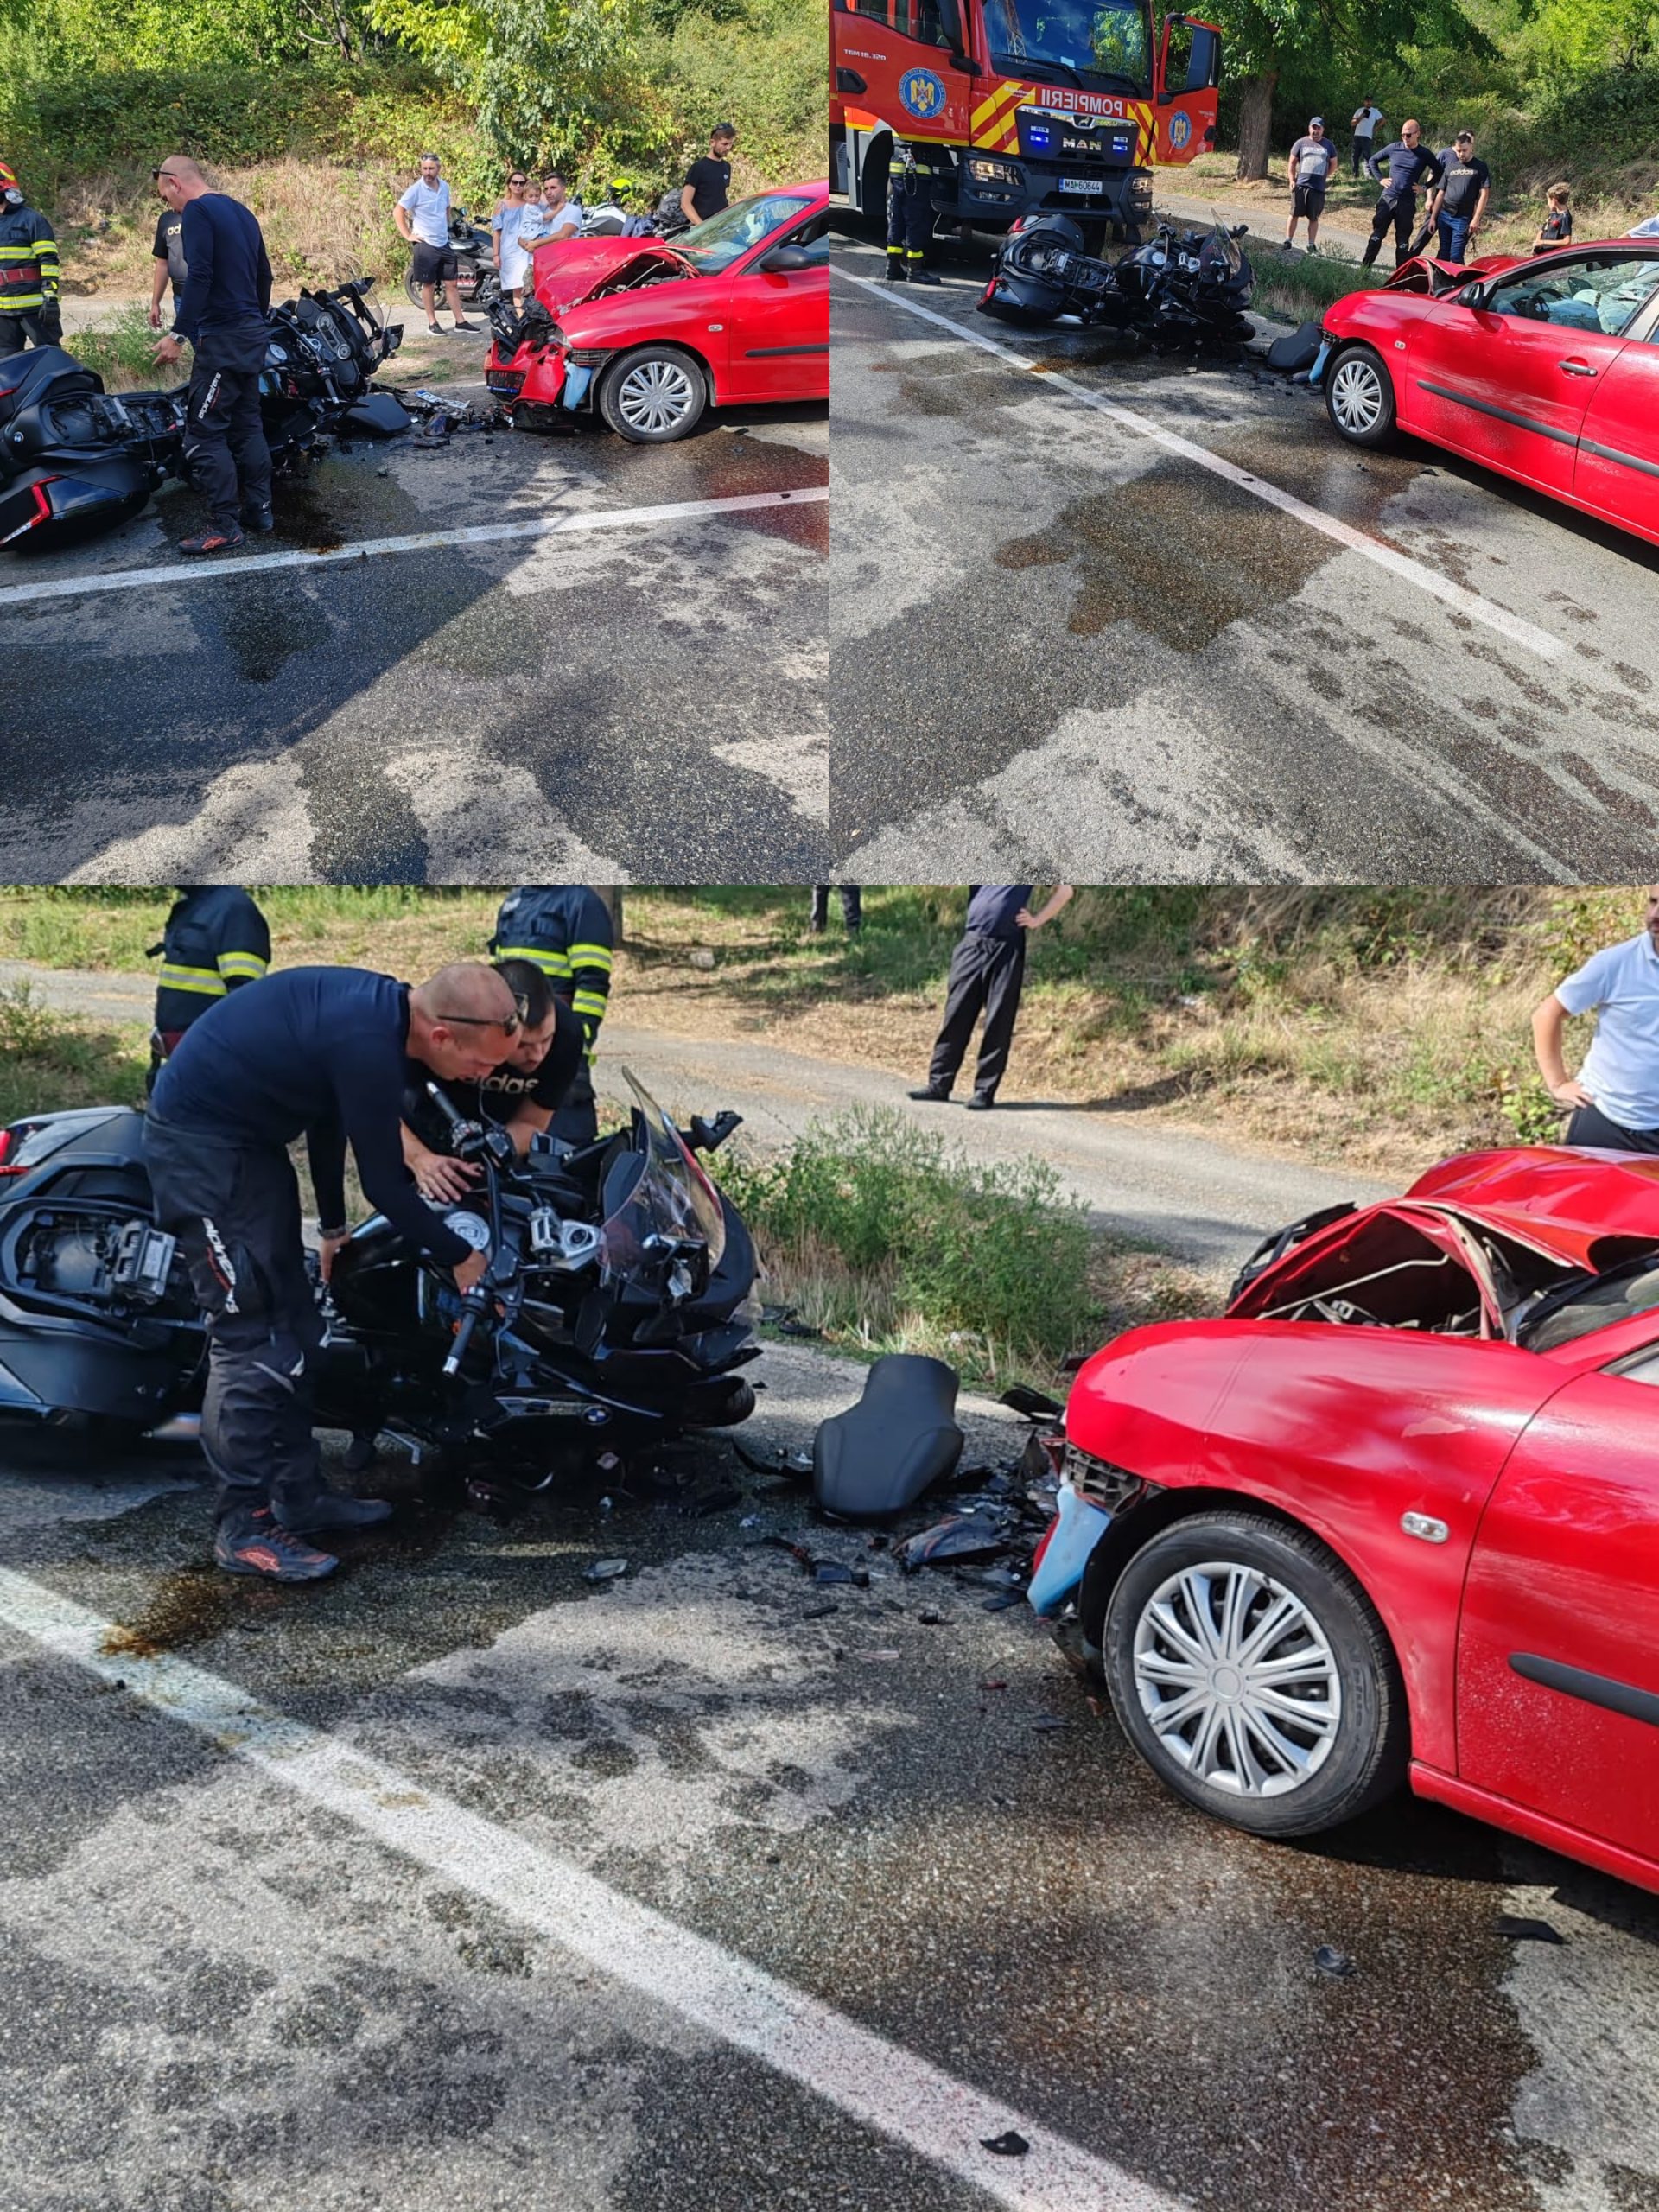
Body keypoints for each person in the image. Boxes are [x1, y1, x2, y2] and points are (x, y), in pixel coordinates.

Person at [144, 963, 516, 1582]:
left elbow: (328, 1118)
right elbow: (386, 1187)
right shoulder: (368, 1038)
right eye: (482, 1064)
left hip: (249, 1148)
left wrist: (334, 1227)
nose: (484, 1077)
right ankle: (242, 1529)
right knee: (253, 1344)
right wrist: (462, 1255)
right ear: (443, 1035)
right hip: (200, 1153)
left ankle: (298, 1497)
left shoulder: (384, 1019)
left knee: (304, 1332)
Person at [149, 157, 275, 556]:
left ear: (174, 183)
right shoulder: (241, 211)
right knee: (247, 425)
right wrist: (254, 320)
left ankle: (225, 526)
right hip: (251, 334)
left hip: (222, 341)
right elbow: (265, 275)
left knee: (203, 433)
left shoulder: (198, 211)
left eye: (166, 197)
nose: (170, 206)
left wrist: (178, 334)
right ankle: (260, 511)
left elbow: (199, 274)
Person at [402, 960, 585, 1202]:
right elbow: (371, 1104)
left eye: (546, 1040)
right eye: (522, 1045)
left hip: (496, 1132)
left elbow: (532, 1122)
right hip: (420, 1127)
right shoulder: (446, 1028)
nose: (538, 1055)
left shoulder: (567, 1034)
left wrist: (493, 1150)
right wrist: (419, 1158)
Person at [908, 884, 1075, 1111]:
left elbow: (1065, 891)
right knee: (956, 1014)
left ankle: (984, 1091)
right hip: (973, 942)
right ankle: (939, 1084)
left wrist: (1036, 920)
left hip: (1006, 946)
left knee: (999, 1018)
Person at [1532, 891, 1659, 1156]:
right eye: (1653, 901)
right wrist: (1558, 1084)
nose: (1655, 914)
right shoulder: (1615, 963)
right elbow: (1546, 1015)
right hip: (1603, 1121)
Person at [488, 886, 615, 1144]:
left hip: (556, 1042)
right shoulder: (515, 901)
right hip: (511, 1049)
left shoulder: (582, 904)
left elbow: (592, 986)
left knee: (564, 1144)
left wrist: (577, 1045)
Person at [147, 884, 270, 1089]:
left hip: (209, 1066)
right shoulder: (197, 906)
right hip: (181, 1061)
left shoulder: (234, 911)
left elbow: (244, 1001)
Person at [395, 153, 478, 337]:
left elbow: (447, 207)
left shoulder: (444, 186)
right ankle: (432, 323)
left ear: (438, 169)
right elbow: (398, 211)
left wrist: (447, 226)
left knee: (452, 283)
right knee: (429, 284)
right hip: (425, 243)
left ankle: (460, 322)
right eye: (424, 168)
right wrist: (408, 235)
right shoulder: (416, 190)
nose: (427, 172)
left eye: (431, 168)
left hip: (443, 242)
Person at [1362, 120, 1445, 270]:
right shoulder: (1394, 148)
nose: (1405, 138)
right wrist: (1380, 179)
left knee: (1402, 242)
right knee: (1377, 236)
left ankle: (1399, 275)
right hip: (1388, 198)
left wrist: (1425, 187)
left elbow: (1439, 172)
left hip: (1407, 202)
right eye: (1403, 135)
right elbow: (1373, 160)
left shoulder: (1424, 154)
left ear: (1418, 134)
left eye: (1408, 135)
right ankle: (1364, 269)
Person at [0, 158, 61, 358]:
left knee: (50, 358)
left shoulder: (32, 219)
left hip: (35, 307)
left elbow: (49, 260)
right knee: (7, 366)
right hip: (3, 311)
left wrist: (50, 297)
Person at [886, 134, 950, 286]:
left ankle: (892, 266)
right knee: (916, 220)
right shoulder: (917, 118)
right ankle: (915, 270)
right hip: (916, 170)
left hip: (898, 166)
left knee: (897, 219)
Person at [1425, 130, 1491, 264]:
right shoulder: (1450, 167)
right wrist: (1433, 218)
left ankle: (1459, 278)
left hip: (1463, 218)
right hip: (1445, 215)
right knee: (1443, 254)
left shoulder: (1480, 167)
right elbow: (1441, 193)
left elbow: (1484, 194)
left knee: (1456, 256)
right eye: (1459, 151)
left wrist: (1476, 219)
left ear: (1471, 147)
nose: (1461, 154)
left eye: (1464, 151)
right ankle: (1441, 277)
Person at [1284, 118, 1338, 254]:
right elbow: (1292, 163)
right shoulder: (1301, 143)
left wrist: (1324, 176)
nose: (1316, 131)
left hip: (1317, 188)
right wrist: (1292, 180)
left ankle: (1311, 245)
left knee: (1314, 218)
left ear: (1323, 130)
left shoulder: (1329, 145)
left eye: (1319, 128)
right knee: (1294, 213)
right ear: (1309, 128)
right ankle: (1287, 241)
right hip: (1301, 185)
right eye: (1314, 127)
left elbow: (1333, 164)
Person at [491, 168, 533, 308]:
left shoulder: (530, 204)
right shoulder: (502, 205)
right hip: (510, 252)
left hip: (528, 250)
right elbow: (496, 232)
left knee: (529, 284)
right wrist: (496, 254)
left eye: (522, 183)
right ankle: (521, 316)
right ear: (509, 184)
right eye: (515, 182)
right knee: (517, 287)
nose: (518, 186)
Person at [682, 125, 736, 228]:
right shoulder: (698, 168)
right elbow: (685, 204)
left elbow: (719, 197)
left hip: (722, 226)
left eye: (731, 144)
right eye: (724, 144)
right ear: (712, 142)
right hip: (703, 229)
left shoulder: (726, 167)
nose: (728, 148)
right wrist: (702, 227)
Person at [521, 172, 583, 254]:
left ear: (563, 189)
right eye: (546, 189)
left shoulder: (573, 210)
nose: (549, 192)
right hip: (540, 259)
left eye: (553, 188)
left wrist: (536, 243)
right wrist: (528, 246)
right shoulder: (540, 210)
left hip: (563, 259)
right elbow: (520, 237)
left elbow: (563, 235)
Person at [149, 196, 187, 330]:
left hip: (209, 296)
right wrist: (155, 303)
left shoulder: (205, 214)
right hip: (181, 296)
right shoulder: (167, 219)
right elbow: (162, 263)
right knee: (191, 339)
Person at [1533, 182, 1573, 255]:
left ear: (1554, 201)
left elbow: (1567, 242)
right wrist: (1537, 245)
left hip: (1552, 255)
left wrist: (1543, 242)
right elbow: (1542, 231)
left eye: (1548, 201)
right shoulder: (1553, 213)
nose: (1548, 203)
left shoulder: (1565, 217)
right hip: (1541, 254)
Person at [1351, 98, 1385, 180]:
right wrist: (1360, 117)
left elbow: (1383, 120)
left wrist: (1376, 129)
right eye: (1367, 101)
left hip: (1367, 136)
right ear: (1364, 102)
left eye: (1370, 101)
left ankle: (1368, 175)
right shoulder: (1359, 110)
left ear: (1372, 102)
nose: (1368, 102)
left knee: (1367, 156)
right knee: (1355, 156)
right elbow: (1352, 123)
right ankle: (1355, 174)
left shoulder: (1375, 111)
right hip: (1357, 136)